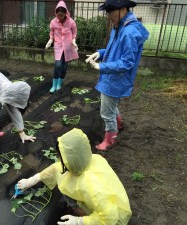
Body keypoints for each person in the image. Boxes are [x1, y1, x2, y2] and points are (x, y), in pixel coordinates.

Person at [17, 128, 132, 225]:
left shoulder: (91, 187)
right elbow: (57, 168)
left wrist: (80, 221)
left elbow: (110, 217)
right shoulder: (92, 159)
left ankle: (84, 214)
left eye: (61, 156)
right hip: (106, 202)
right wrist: (33, 179)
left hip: (113, 219)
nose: (60, 159)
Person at [85, 0, 149, 151]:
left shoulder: (128, 32)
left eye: (110, 12)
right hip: (111, 76)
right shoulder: (119, 26)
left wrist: (101, 66)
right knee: (111, 104)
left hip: (116, 78)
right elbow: (113, 49)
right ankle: (119, 124)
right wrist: (100, 53)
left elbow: (127, 62)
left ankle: (109, 140)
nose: (108, 16)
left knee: (106, 112)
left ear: (123, 9)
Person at [45, 0, 79, 93]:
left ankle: (59, 84)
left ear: (65, 13)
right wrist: (50, 40)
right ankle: (54, 85)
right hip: (58, 46)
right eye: (58, 15)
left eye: (61, 15)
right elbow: (51, 33)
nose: (59, 17)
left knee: (64, 67)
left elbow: (74, 32)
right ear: (56, 13)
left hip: (68, 47)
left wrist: (74, 41)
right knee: (58, 65)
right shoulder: (53, 22)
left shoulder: (71, 22)